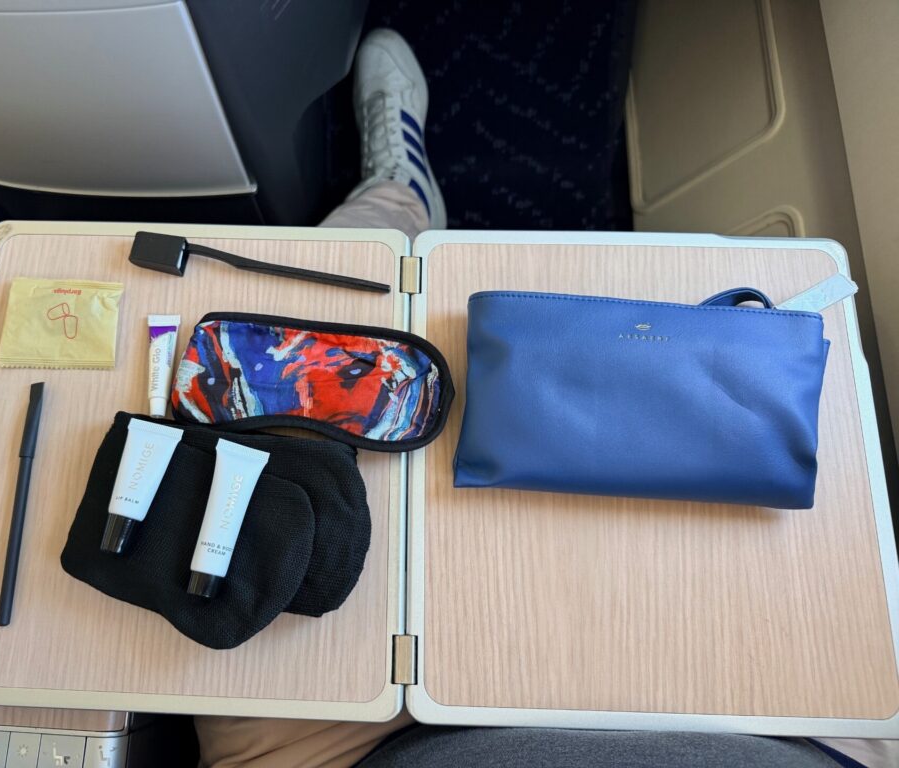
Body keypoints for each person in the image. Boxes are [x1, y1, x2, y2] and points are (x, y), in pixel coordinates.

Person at [194, 28, 893, 768]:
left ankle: (396, 195)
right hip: (780, 734)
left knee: (329, 272)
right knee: (352, 288)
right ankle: (398, 197)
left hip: (395, 740)